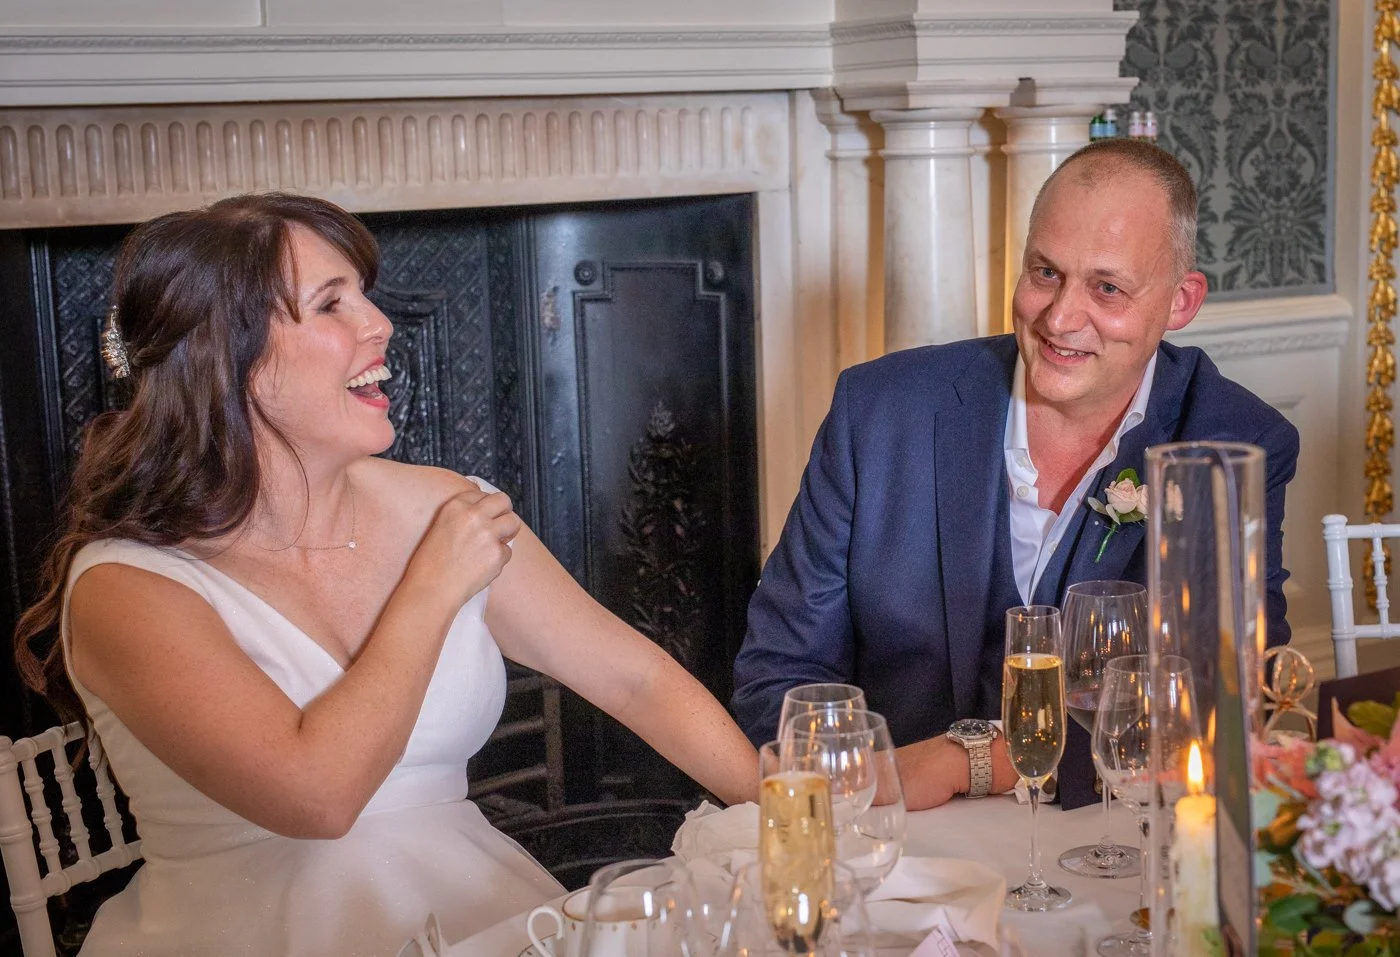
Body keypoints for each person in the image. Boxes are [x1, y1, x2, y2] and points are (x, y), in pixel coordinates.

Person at [12, 192, 759, 956]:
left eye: (363, 296)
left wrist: (787, 814)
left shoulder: (445, 503)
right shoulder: (126, 589)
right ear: (224, 355)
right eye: (332, 305)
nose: (379, 324)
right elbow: (320, 796)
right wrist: (431, 587)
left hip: (482, 915)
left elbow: (634, 679)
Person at [732, 138, 1299, 811]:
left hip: (1106, 846)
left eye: (1107, 287)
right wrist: (858, 793)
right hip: (900, 842)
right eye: (1045, 272)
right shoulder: (880, 411)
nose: (1059, 317)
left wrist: (970, 763)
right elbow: (780, 678)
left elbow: (1219, 711)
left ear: (1180, 302)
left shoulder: (1231, 441)